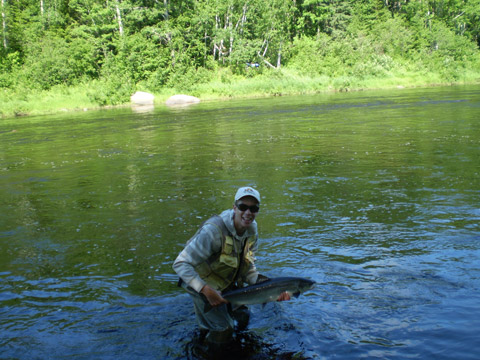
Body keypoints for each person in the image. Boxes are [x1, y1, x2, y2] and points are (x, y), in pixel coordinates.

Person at [173, 186, 290, 346]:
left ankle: (210, 335)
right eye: (243, 207)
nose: (248, 212)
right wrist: (206, 290)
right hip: (197, 280)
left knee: (243, 316)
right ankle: (205, 351)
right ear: (234, 207)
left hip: (223, 282)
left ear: (257, 211)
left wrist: (271, 288)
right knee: (223, 329)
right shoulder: (213, 231)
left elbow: (248, 270)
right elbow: (180, 263)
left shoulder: (252, 234)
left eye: (253, 208)